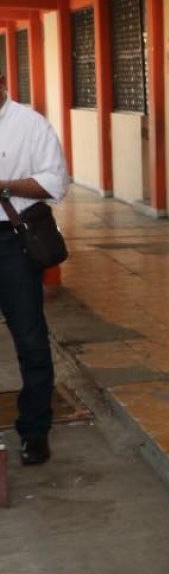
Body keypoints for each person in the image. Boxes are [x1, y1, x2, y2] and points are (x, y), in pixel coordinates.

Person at [0, 73, 70, 465]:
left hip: (12, 241)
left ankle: (35, 430)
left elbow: (55, 182)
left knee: (29, 338)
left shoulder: (30, 125)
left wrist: (4, 186)